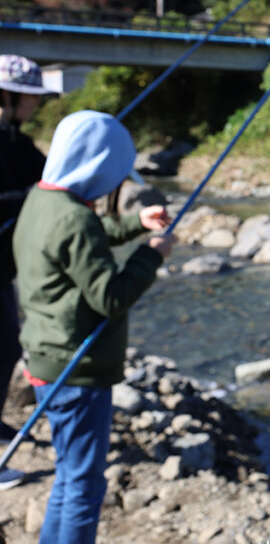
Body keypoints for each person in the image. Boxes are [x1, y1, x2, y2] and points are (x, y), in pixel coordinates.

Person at [13, 110, 175, 542]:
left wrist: (134, 225)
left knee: (70, 477)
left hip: (46, 359)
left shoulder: (42, 199)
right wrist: (153, 254)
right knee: (84, 485)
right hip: (77, 371)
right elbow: (112, 297)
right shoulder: (74, 218)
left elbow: (80, 239)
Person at [0, 55, 62, 490]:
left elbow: (46, 174)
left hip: (2, 268)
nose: (36, 106)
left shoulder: (14, 140)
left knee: (5, 348)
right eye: (31, 98)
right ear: (9, 95)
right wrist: (33, 196)